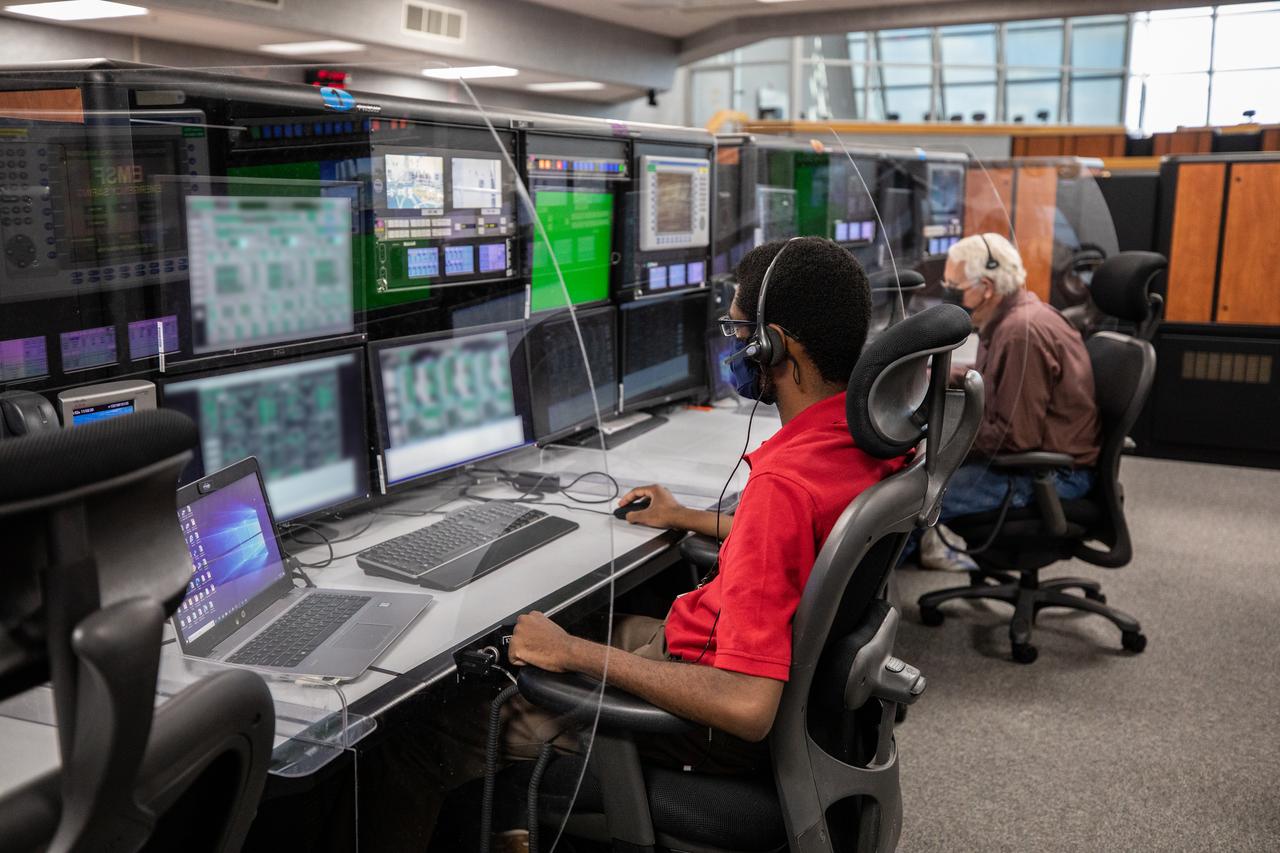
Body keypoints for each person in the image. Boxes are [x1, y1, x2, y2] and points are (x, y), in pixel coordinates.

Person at [406, 237, 905, 851]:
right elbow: (813, 549)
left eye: (739, 329)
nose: (733, 345)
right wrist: (692, 517)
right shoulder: (863, 439)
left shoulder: (784, 487)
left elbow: (747, 706)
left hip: (708, 710)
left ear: (775, 344)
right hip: (730, 660)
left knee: (436, 722)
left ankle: (496, 818)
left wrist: (573, 655)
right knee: (579, 619)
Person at [916, 232, 1101, 572]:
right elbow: (1003, 382)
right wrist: (946, 374)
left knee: (911, 496)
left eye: (954, 287)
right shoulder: (1016, 316)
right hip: (1040, 462)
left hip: (1049, 476)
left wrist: (939, 443)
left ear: (986, 286)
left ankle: (863, 604)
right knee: (918, 478)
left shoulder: (1021, 333)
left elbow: (1015, 438)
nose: (948, 295)